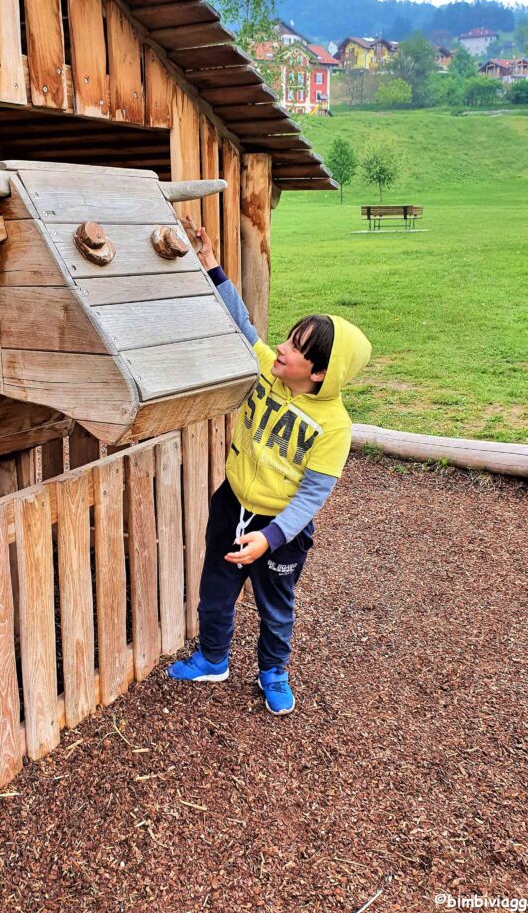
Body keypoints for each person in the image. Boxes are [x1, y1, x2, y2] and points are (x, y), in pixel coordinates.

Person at [167, 221, 372, 715]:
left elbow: (311, 497)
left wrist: (271, 537)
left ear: (319, 372)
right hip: (231, 503)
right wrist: (211, 263)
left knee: (275, 606)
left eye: (297, 348)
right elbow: (241, 324)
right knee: (214, 588)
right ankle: (214, 658)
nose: (283, 348)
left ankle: (272, 672)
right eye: (288, 339)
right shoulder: (266, 369)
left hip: (278, 529)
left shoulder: (334, 428)